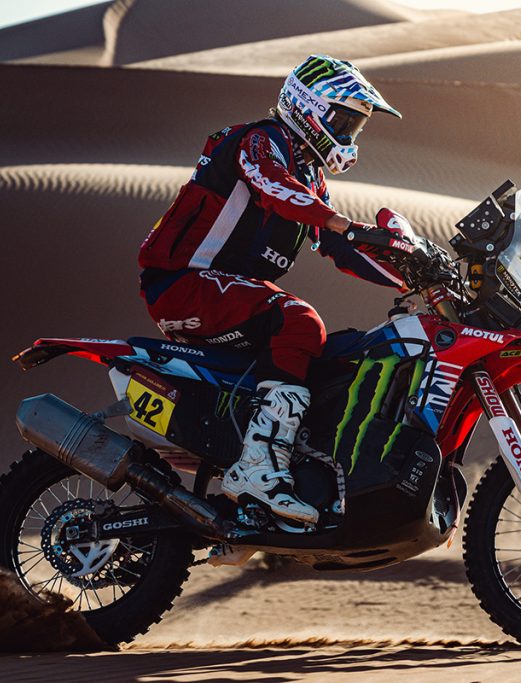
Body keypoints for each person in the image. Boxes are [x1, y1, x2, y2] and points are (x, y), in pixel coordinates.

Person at [137, 55, 404, 524]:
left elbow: (338, 248)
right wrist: (341, 222)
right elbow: (273, 187)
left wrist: (414, 276)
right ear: (309, 107)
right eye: (343, 121)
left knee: (332, 357)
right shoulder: (260, 140)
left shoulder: (310, 176)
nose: (349, 135)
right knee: (298, 321)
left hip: (228, 295)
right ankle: (259, 470)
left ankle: (278, 483)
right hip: (183, 282)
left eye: (355, 126)